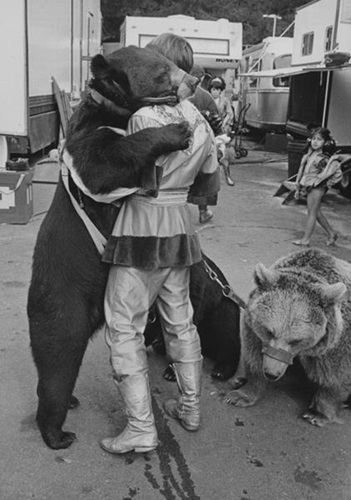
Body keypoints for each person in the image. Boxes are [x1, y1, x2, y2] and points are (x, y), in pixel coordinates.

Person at [100, 33, 219, 454]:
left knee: (123, 324)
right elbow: (208, 180)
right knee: (179, 321)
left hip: (143, 227)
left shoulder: (144, 120)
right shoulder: (201, 120)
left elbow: (127, 177)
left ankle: (140, 428)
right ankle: (190, 408)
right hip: (181, 228)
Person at [293, 127, 342, 246]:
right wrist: (299, 186)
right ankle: (331, 233)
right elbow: (304, 171)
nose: (315, 142)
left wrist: (325, 184)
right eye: (313, 139)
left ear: (325, 142)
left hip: (317, 188)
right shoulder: (311, 154)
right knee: (316, 212)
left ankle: (305, 240)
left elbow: (336, 173)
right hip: (309, 186)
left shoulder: (323, 158)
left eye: (319, 140)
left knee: (312, 213)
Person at [189, 65, 222, 223]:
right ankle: (203, 212)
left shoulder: (179, 94)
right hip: (202, 143)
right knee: (204, 177)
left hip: (182, 142)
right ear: (202, 78)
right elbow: (217, 123)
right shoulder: (206, 97)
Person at [208, 76, 235, 187]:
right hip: (210, 129)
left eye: (217, 89)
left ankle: (228, 176)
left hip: (221, 129)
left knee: (223, 153)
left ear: (220, 91)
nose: (214, 92)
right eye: (213, 89)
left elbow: (230, 113)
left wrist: (224, 123)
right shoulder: (208, 99)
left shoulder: (225, 100)